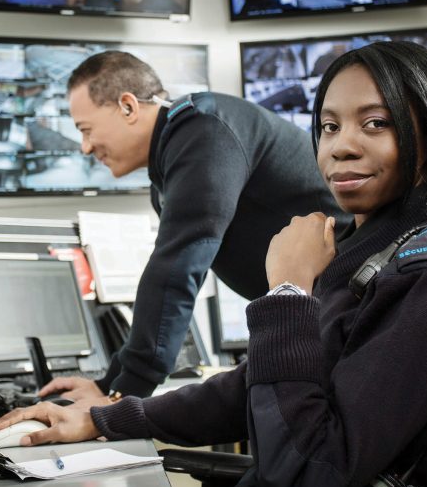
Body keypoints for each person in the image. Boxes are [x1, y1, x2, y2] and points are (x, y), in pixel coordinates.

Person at [0, 40, 427, 487]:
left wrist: (288, 293)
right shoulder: (369, 258)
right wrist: (105, 418)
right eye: (327, 126)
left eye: (375, 123)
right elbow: (255, 383)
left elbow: (304, 480)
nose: (342, 146)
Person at [45, 50, 348, 403]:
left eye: (86, 129)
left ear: (128, 106)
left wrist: (119, 397)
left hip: (349, 317)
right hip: (320, 323)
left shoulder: (202, 128)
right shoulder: (177, 154)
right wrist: (106, 384)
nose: (85, 147)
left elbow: (177, 267)